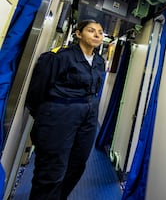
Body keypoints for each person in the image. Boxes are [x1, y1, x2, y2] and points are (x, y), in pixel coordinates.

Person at [25, 19, 106, 199]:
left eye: (100, 32)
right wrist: (45, 116)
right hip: (60, 113)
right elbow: (38, 90)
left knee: (77, 165)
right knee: (52, 170)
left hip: (88, 115)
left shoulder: (100, 62)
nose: (97, 35)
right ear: (78, 34)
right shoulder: (59, 56)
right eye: (91, 30)